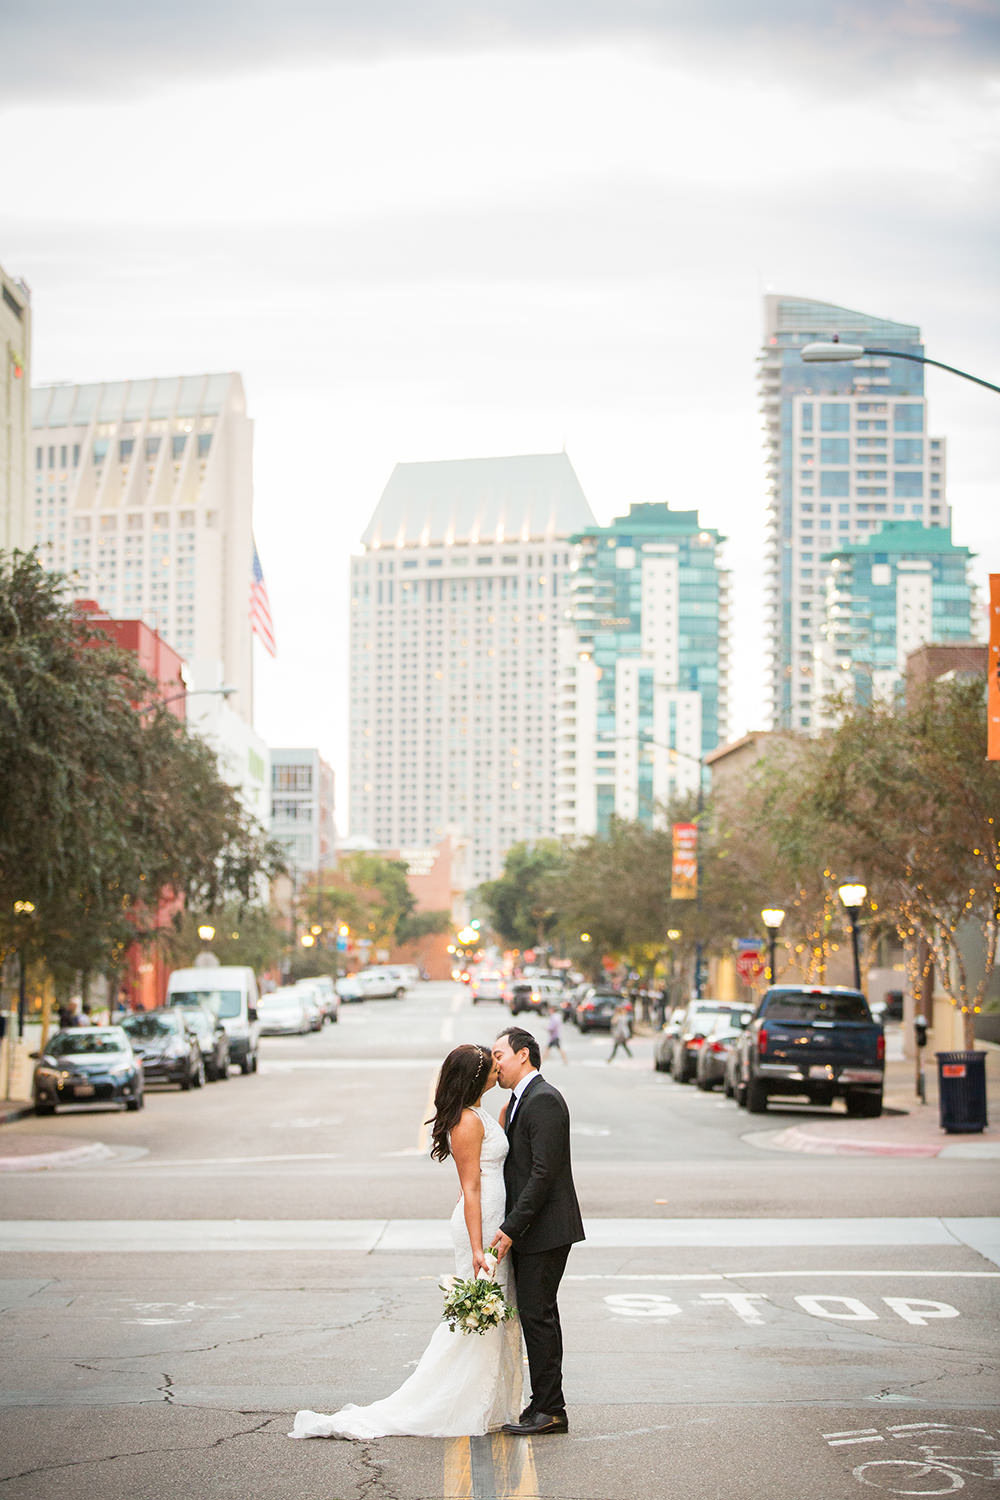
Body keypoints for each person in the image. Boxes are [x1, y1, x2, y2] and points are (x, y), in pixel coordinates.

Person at [289, 1044, 521, 1440]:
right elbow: (471, 1189)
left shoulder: (482, 1112)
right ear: (476, 1077)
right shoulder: (466, 1122)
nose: (498, 1067)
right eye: (491, 1064)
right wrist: (478, 1247)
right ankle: (450, 1404)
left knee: (493, 1318)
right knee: (478, 1319)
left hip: (496, 1219)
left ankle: (483, 1403)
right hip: (479, 1223)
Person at [490, 1026, 584, 1437]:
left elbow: (544, 1174)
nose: (495, 1064)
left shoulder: (544, 1100)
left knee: (539, 1316)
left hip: (545, 1230)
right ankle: (544, 1402)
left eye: (499, 1055)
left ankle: (551, 1409)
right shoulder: (517, 1101)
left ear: (523, 1055)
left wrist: (511, 1228)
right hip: (534, 1230)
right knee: (536, 1316)